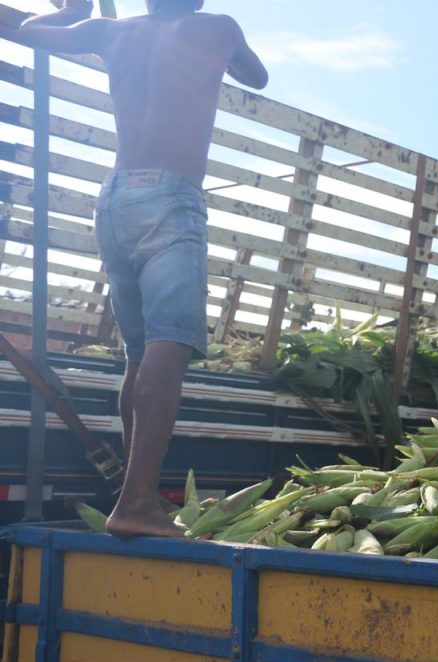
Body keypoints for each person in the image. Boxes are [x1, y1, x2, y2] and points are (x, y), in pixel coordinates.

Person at [19, 0, 268, 538]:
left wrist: (75, 9)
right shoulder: (218, 27)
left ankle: (139, 495)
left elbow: (30, 29)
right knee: (168, 349)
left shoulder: (110, 32)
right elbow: (257, 77)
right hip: (170, 198)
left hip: (114, 201)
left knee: (139, 357)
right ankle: (136, 504)